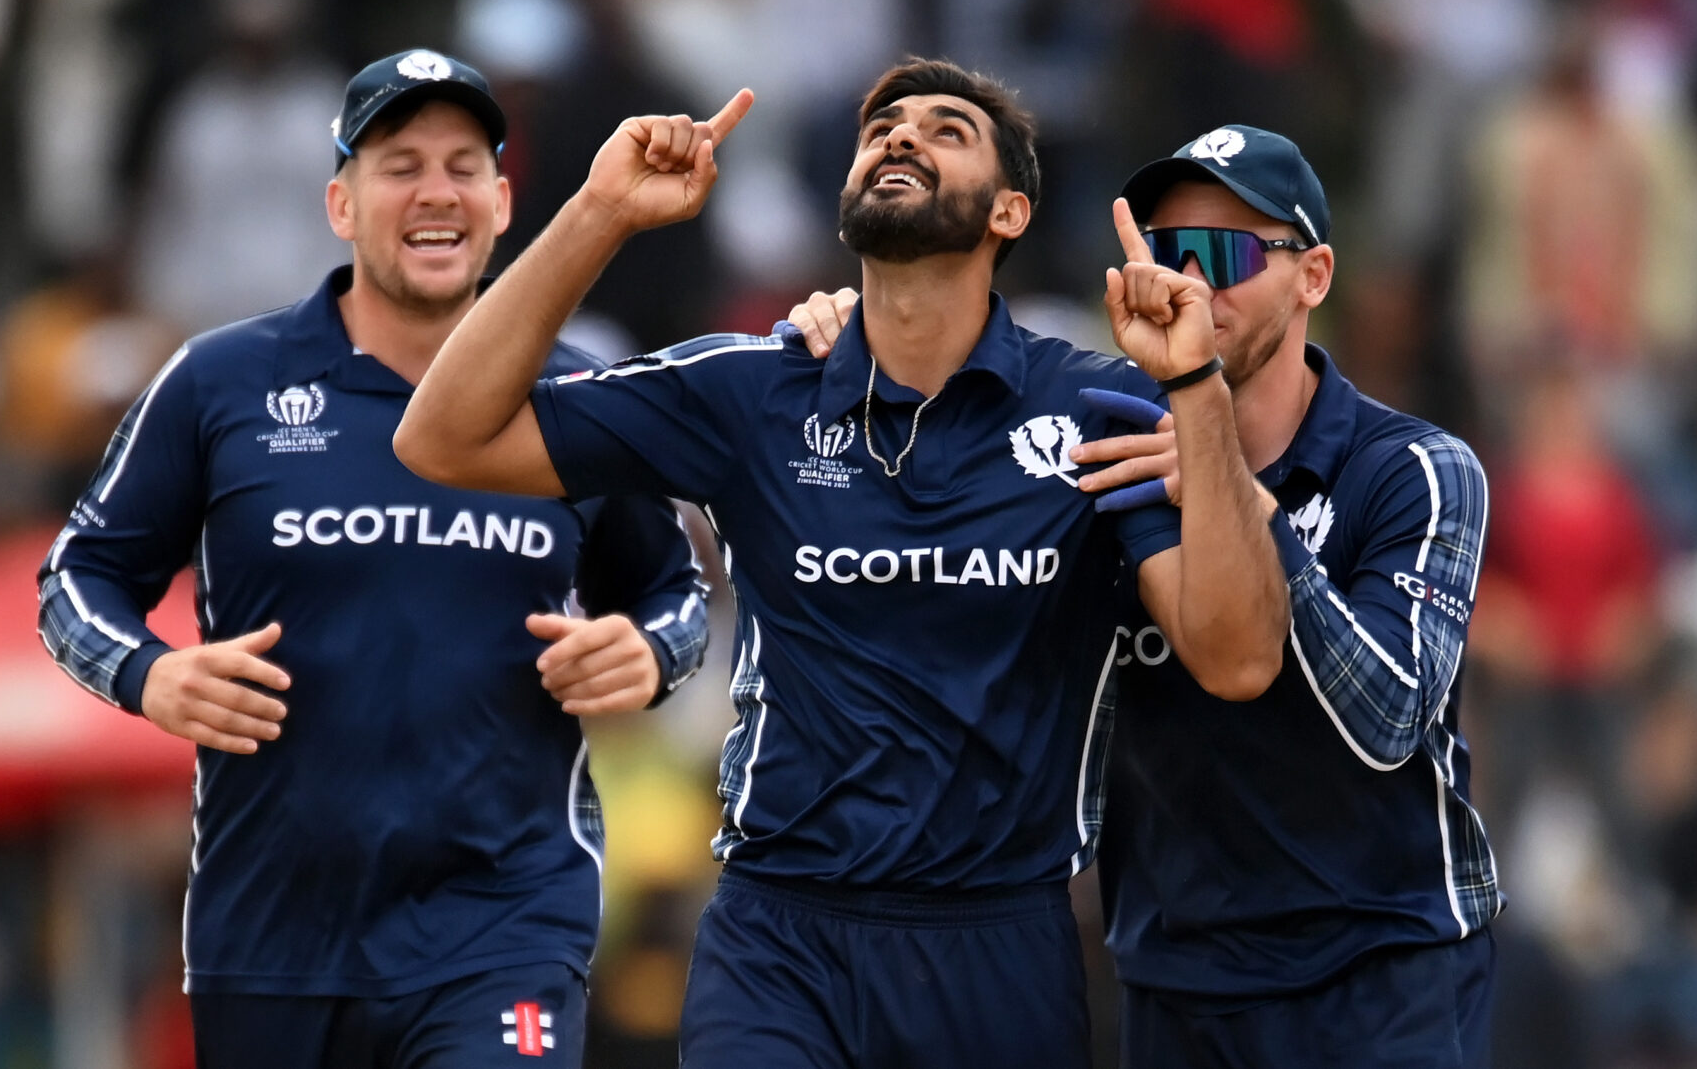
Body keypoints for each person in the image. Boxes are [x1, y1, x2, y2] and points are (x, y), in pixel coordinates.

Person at [393, 57, 1287, 1068]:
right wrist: (601, 212)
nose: (901, 136)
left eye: (947, 130)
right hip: (778, 942)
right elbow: (441, 437)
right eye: (882, 128)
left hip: (1000, 949)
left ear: (1009, 212)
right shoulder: (747, 389)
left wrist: (1196, 388)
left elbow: (1239, 658)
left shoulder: (1094, 409)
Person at [36, 49, 710, 1068]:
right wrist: (148, 673)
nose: (436, 192)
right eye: (401, 166)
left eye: (463, 167)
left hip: (504, 926)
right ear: (341, 205)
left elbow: (677, 593)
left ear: (501, 203)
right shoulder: (220, 383)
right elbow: (74, 578)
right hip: (270, 940)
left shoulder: (578, 399)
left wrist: (649, 652)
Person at [1088, 127, 1500, 1067]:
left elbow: (1389, 717)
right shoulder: (1114, 454)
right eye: (1170, 253)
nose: (1193, 286)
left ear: (1313, 276)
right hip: (1175, 977)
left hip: (1383, 968)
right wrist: (834, 333)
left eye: (1226, 254)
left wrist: (1230, 486)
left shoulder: (1418, 469)